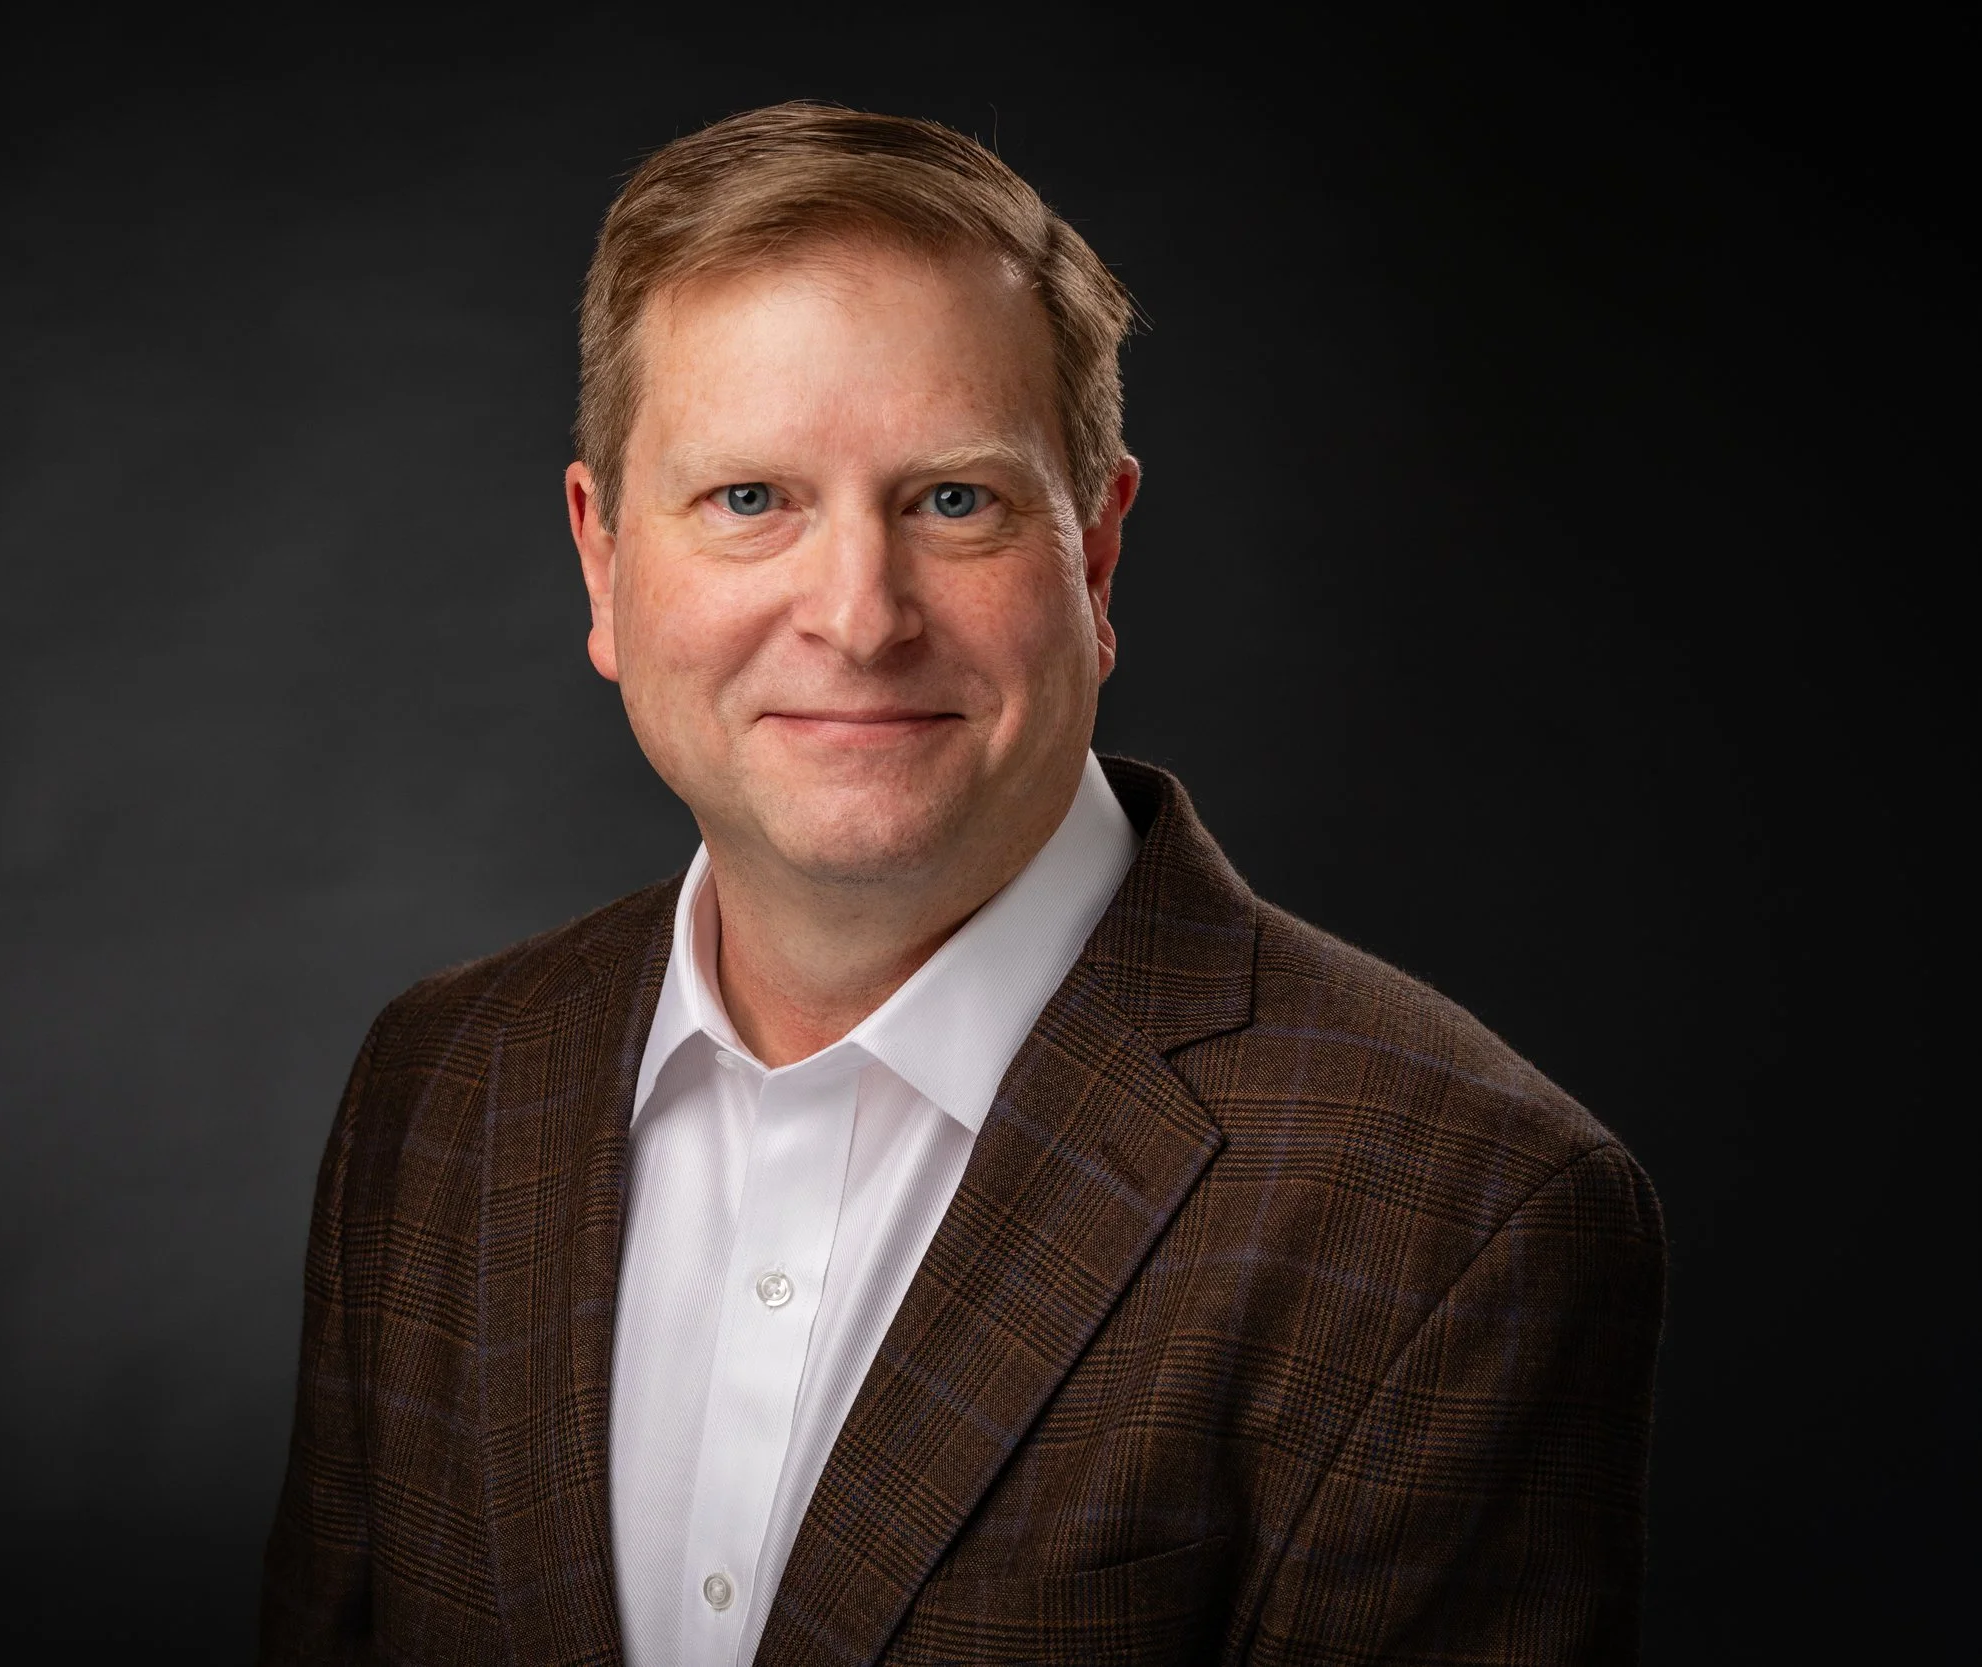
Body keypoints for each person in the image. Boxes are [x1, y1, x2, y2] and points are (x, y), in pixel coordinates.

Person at [260, 102, 1665, 1667]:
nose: (859, 617)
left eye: (953, 501)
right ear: (602, 564)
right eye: (748, 500)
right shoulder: (439, 1088)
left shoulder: (1461, 1212)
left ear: (1099, 554)